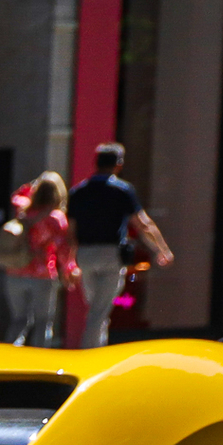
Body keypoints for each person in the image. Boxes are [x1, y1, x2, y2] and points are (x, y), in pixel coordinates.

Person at [68, 143, 171, 348]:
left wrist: (70, 261)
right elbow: (143, 224)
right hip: (111, 255)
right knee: (100, 310)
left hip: (85, 254)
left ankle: (99, 349)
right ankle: (89, 354)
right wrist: (161, 249)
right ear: (118, 165)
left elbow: (70, 230)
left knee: (97, 308)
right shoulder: (123, 190)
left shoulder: (78, 192)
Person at [0, 173, 76, 348]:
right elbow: (63, 247)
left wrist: (32, 185)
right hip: (42, 275)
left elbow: (17, 195)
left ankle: (9, 358)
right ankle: (39, 360)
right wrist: (69, 269)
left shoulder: (23, 211)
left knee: (18, 320)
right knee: (43, 322)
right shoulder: (55, 218)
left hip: (15, 272)